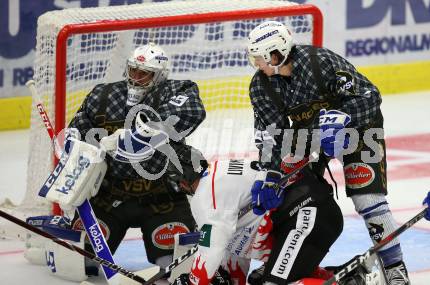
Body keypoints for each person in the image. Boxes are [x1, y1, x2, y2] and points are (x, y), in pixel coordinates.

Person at [245, 21, 410, 285]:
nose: (256, 65)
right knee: (294, 195)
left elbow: (369, 96)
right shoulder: (261, 87)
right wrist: (273, 173)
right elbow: (271, 137)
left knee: (367, 199)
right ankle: (298, 263)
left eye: (259, 58)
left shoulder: (319, 62)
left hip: (359, 128)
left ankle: (394, 268)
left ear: (276, 54)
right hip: (310, 136)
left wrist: (342, 118)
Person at [65, 42, 206, 273]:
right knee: (82, 264)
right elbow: (77, 130)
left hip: (162, 198)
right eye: (133, 71)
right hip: (109, 197)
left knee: (176, 267)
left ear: (160, 76)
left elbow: (191, 113)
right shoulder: (103, 95)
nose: (137, 78)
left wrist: (137, 135)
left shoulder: (178, 90)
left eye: (145, 74)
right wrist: (74, 151)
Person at [167, 144, 344, 285]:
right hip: (311, 214)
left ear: (181, 181)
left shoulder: (205, 198)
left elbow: (212, 250)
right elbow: (232, 248)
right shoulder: (220, 170)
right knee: (260, 279)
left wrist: (193, 281)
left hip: (307, 215)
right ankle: (343, 279)